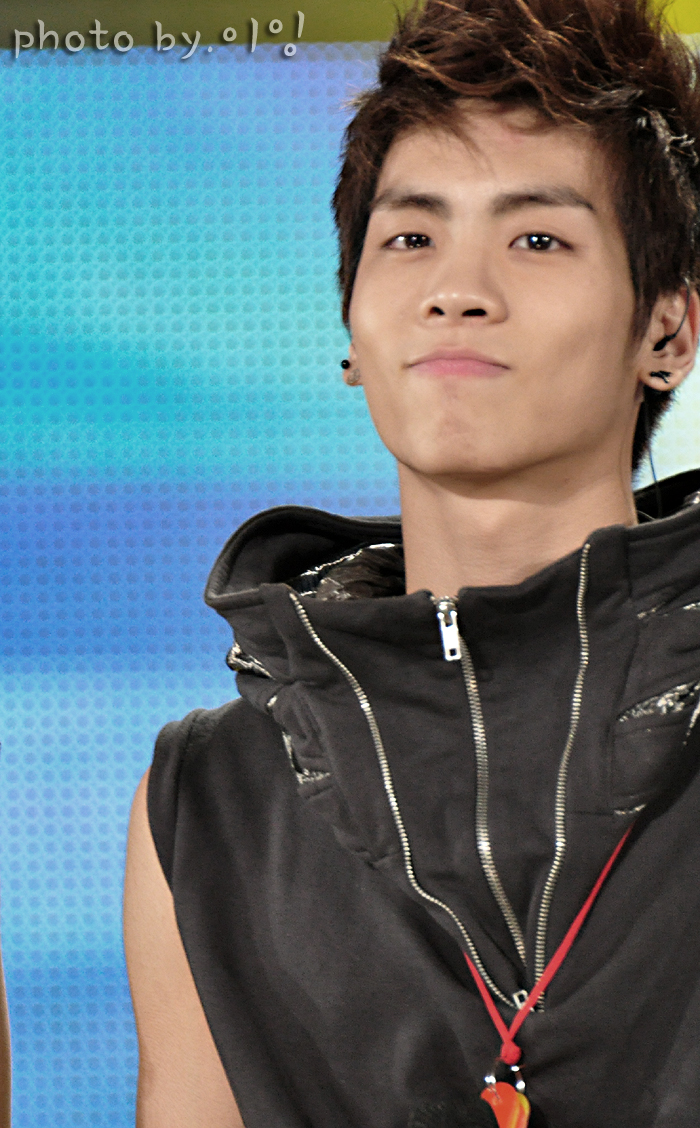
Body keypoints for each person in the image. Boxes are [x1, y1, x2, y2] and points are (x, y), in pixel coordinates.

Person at [123, 0, 700, 1124]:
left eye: (537, 239)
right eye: (411, 239)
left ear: (666, 333)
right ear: (352, 330)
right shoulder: (211, 802)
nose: (457, 289)